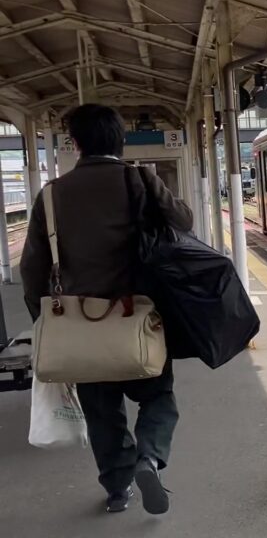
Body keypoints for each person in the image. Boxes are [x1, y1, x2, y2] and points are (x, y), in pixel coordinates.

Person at [21, 104, 193, 515]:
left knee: (102, 413)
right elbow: (183, 222)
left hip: (81, 325)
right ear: (122, 140)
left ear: (75, 144)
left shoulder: (51, 196)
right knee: (158, 397)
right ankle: (149, 458)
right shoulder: (137, 180)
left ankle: (118, 490)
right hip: (138, 320)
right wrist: (151, 182)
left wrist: (43, 323)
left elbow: (32, 271)